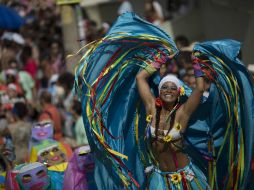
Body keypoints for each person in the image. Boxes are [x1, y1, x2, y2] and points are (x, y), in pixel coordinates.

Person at [136, 59, 210, 188]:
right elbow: (140, 78)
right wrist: (161, 58)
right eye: (164, 87)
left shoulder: (182, 113)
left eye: (173, 88)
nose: (168, 90)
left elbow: (199, 88)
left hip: (184, 178)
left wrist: (196, 62)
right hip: (158, 178)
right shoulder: (151, 108)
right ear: (159, 91)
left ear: (178, 93)